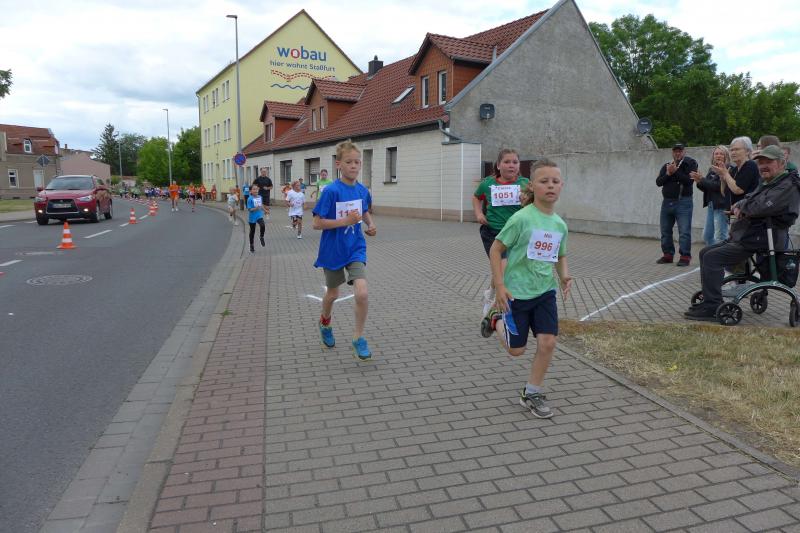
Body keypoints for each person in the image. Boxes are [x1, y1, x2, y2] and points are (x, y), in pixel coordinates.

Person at [483, 159, 572, 419]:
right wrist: (500, 285)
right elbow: (496, 249)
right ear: (532, 185)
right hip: (516, 293)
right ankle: (495, 318)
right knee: (516, 350)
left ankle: (532, 392)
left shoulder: (559, 224)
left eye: (555, 181)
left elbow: (560, 254)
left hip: (544, 292)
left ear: (562, 186)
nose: (550, 185)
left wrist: (564, 276)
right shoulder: (521, 218)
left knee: (548, 342)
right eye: (544, 181)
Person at [685, 145, 800, 321]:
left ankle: (712, 306)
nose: (763, 166)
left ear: (781, 163)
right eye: (761, 162)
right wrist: (740, 205)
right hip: (750, 235)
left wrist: (743, 207)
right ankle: (710, 300)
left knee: (712, 257)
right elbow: (750, 198)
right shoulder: (771, 182)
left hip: (763, 239)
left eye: (768, 162)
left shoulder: (787, 185)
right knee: (705, 252)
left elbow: (760, 206)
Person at [312, 141, 377, 361]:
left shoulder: (362, 190)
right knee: (333, 294)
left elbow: (364, 210)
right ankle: (325, 322)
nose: (354, 166)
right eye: (349, 162)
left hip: (355, 248)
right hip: (333, 250)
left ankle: (358, 338)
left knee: (362, 293)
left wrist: (370, 224)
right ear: (338, 164)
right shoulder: (331, 191)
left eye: (357, 162)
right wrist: (344, 221)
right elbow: (316, 223)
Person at [473, 149, 530, 314]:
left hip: (515, 234)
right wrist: (479, 213)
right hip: (493, 232)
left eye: (515, 162)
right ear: (498, 165)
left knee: (503, 269)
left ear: (519, 166)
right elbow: (476, 197)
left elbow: (534, 205)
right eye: (507, 162)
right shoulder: (488, 183)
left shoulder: (526, 184)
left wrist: (527, 201)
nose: (511, 165)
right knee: (503, 268)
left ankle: (490, 293)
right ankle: (496, 306)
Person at [656, 143, 698, 266]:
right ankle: (668, 255)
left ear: (684, 152)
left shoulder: (690, 163)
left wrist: (675, 172)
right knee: (665, 230)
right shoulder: (667, 165)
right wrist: (668, 174)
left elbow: (689, 182)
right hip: (667, 202)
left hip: (683, 202)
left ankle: (685, 256)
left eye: (680, 151)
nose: (677, 153)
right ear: (672, 152)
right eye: (675, 151)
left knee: (684, 231)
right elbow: (658, 182)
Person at [691, 146, 732, 245]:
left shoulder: (728, 169)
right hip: (711, 205)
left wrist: (702, 179)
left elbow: (718, 186)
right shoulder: (712, 169)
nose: (718, 156)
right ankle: (713, 253)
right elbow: (707, 187)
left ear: (726, 156)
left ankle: (723, 254)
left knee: (721, 236)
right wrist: (698, 181)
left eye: (721, 154)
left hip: (722, 206)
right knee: (707, 236)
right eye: (716, 153)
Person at [246, 183, 268, 253]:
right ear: (251, 191)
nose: (256, 190)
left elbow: (261, 205)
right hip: (252, 217)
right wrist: (256, 208)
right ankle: (251, 245)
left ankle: (261, 237)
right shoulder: (250, 199)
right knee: (252, 231)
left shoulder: (260, 197)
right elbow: (249, 209)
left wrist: (265, 210)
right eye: (254, 189)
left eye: (256, 189)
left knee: (262, 225)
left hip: (259, 215)